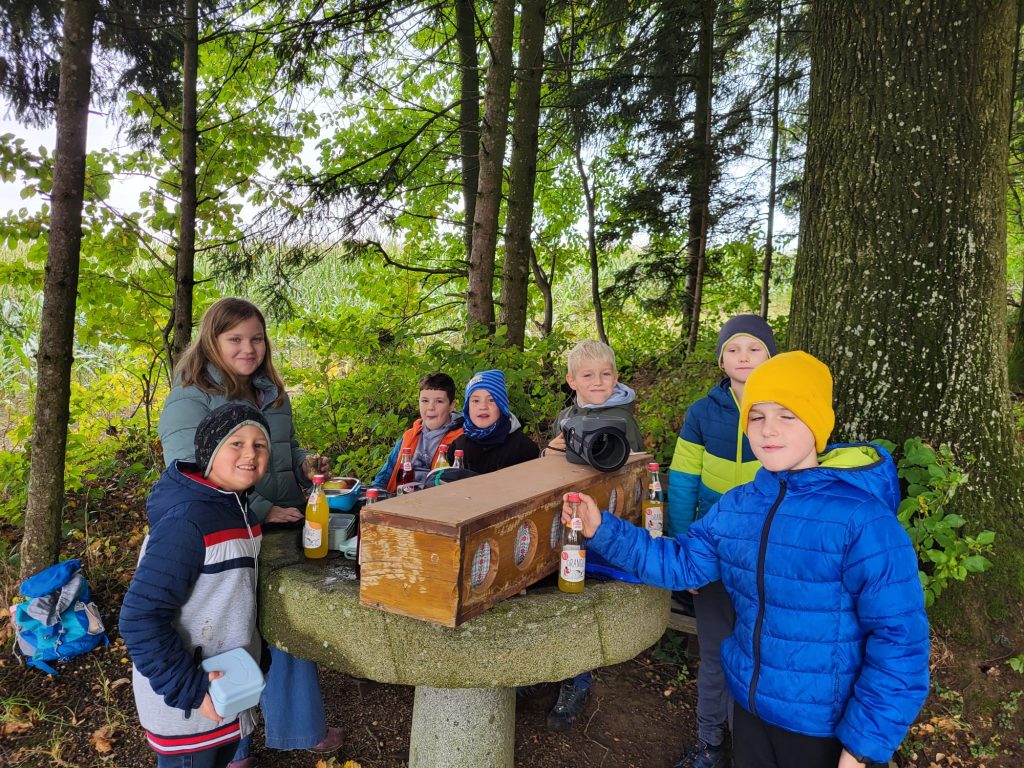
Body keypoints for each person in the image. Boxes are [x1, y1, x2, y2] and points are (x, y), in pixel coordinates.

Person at [562, 352, 930, 768]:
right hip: (751, 714)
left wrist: (861, 748)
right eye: (756, 417)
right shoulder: (738, 507)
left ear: (818, 423)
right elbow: (682, 563)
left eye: (787, 416)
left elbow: (901, 641)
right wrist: (602, 529)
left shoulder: (862, 519)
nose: (769, 430)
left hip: (826, 730)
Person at [157, 298, 342, 768]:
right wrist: (261, 508)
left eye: (256, 338)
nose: (248, 348)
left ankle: (298, 727)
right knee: (230, 632)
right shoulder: (190, 396)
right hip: (225, 532)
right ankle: (230, 743)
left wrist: (303, 467)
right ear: (212, 341)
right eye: (235, 338)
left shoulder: (271, 391)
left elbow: (282, 447)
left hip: (283, 525)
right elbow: (190, 469)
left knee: (288, 621)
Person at [121, 403, 273, 768]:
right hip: (189, 707)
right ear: (209, 451)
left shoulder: (236, 508)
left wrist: (258, 656)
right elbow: (140, 617)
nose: (250, 454)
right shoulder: (188, 522)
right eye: (236, 443)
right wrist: (190, 689)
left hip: (224, 691)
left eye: (260, 444)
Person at [666, 314, 777, 768]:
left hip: (767, 559)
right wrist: (683, 553)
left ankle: (752, 749)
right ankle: (709, 745)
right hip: (712, 555)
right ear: (721, 358)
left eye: (754, 348)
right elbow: (682, 484)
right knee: (714, 656)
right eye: (733, 349)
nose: (743, 357)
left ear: (770, 356)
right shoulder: (702, 413)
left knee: (761, 656)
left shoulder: (783, 410)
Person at [542, 339, 646, 732]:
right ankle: (549, 669)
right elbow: (551, 469)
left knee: (583, 605)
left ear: (616, 376)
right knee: (559, 595)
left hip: (607, 527)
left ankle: (577, 679)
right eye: (588, 375)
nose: (598, 382)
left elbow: (635, 477)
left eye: (606, 374)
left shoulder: (624, 419)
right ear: (572, 381)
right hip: (567, 523)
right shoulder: (566, 417)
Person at [370, 372, 464, 492]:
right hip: (398, 499)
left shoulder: (461, 439)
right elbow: (384, 476)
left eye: (439, 401)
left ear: (451, 406)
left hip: (434, 503)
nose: (431, 407)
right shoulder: (410, 435)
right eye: (425, 401)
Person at [443, 369, 539, 474]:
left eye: (491, 400)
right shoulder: (458, 446)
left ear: (502, 406)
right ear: (467, 408)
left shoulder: (522, 446)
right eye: (476, 400)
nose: (483, 407)